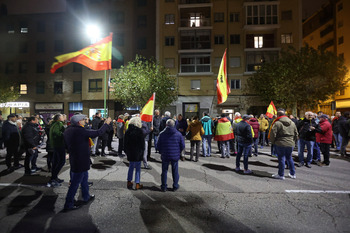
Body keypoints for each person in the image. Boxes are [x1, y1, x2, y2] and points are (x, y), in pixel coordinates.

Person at [63, 114, 112, 211]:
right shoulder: (80, 131)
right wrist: (106, 123)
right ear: (78, 122)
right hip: (80, 160)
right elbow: (99, 132)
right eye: (83, 120)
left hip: (76, 159)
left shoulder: (68, 130)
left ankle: (86, 196)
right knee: (75, 184)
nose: (85, 121)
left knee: (84, 179)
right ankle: (68, 204)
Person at [269, 109, 298, 180]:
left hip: (280, 142)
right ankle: (292, 173)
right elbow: (296, 133)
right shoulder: (292, 122)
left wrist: (273, 141)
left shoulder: (277, 123)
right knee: (289, 158)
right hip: (290, 143)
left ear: (278, 115)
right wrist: (293, 141)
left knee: (281, 158)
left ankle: (281, 174)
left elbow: (273, 133)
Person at [157, 119, 185, 192]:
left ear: (166, 125)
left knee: (164, 171)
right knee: (175, 171)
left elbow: (158, 145)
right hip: (175, 155)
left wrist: (160, 151)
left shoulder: (162, 133)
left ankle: (164, 186)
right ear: (174, 125)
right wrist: (179, 152)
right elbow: (182, 145)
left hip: (165, 154)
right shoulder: (178, 134)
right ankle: (175, 185)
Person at [124, 117, 145, 190]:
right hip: (138, 152)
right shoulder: (140, 131)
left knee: (131, 167)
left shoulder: (128, 131)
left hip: (130, 152)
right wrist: (142, 152)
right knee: (138, 168)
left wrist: (126, 151)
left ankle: (129, 181)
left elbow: (125, 143)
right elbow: (142, 144)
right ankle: (137, 183)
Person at [48, 114, 66, 187]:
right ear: (59, 118)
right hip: (59, 144)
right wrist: (64, 134)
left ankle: (54, 177)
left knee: (56, 162)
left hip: (56, 145)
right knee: (61, 161)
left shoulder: (53, 124)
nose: (64, 118)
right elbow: (57, 133)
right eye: (62, 116)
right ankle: (53, 178)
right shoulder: (59, 123)